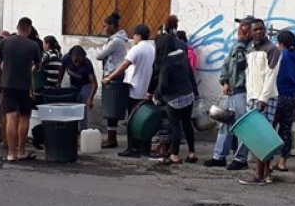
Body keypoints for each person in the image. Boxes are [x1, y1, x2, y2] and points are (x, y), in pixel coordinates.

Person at [204, 16, 254, 170]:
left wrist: (241, 45)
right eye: (240, 26)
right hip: (231, 90)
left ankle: (241, 159)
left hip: (243, 91)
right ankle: (219, 156)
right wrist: (225, 81)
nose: (240, 29)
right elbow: (226, 64)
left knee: (242, 126)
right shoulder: (236, 45)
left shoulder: (251, 47)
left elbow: (243, 65)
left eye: (244, 27)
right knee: (224, 123)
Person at [103, 24, 157, 159]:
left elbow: (124, 65)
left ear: (138, 35)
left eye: (134, 36)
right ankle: (145, 148)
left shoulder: (136, 49)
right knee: (145, 120)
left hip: (135, 90)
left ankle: (133, 148)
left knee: (133, 120)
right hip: (147, 90)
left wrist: (110, 77)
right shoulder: (152, 49)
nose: (133, 38)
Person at [239, 19, 281, 185]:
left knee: (261, 137)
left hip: (266, 98)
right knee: (257, 137)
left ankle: (259, 175)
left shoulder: (272, 49)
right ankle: (265, 173)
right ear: (250, 32)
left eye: (261, 29)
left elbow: (271, 76)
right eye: (255, 29)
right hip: (253, 97)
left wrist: (263, 98)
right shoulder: (250, 49)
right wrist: (250, 96)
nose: (259, 32)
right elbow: (249, 74)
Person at [0, 17, 43, 162]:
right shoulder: (33, 45)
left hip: (7, 84)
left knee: (10, 117)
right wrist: (30, 70)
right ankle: (21, 151)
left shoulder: (5, 42)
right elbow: (38, 65)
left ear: (17, 27)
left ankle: (10, 153)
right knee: (24, 117)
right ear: (29, 29)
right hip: (25, 86)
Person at [152, 33, 198, 164]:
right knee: (187, 124)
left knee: (175, 126)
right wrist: (195, 92)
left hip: (173, 99)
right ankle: (192, 153)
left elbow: (163, 85)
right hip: (188, 95)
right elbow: (190, 75)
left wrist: (157, 96)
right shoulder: (183, 56)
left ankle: (174, 155)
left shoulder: (166, 62)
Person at [274, 30, 295, 171]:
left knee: (270, 128)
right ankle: (283, 162)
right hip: (293, 97)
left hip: (279, 95)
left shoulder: (282, 55)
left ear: (281, 43)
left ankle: (266, 162)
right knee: (286, 130)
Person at [96, 12, 129, 148]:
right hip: (114, 74)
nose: (104, 29)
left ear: (112, 26)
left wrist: (103, 48)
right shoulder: (116, 40)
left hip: (113, 75)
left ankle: (111, 139)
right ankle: (111, 137)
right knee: (111, 108)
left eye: (105, 26)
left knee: (111, 108)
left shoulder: (115, 41)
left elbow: (99, 55)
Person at [63, 45, 98, 129]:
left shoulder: (87, 63)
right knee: (72, 106)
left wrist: (90, 99)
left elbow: (94, 83)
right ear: (71, 57)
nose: (77, 64)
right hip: (74, 84)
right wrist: (58, 83)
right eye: (75, 61)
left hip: (86, 84)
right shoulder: (66, 59)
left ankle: (83, 130)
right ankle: (72, 129)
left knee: (83, 107)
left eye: (79, 61)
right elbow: (61, 70)